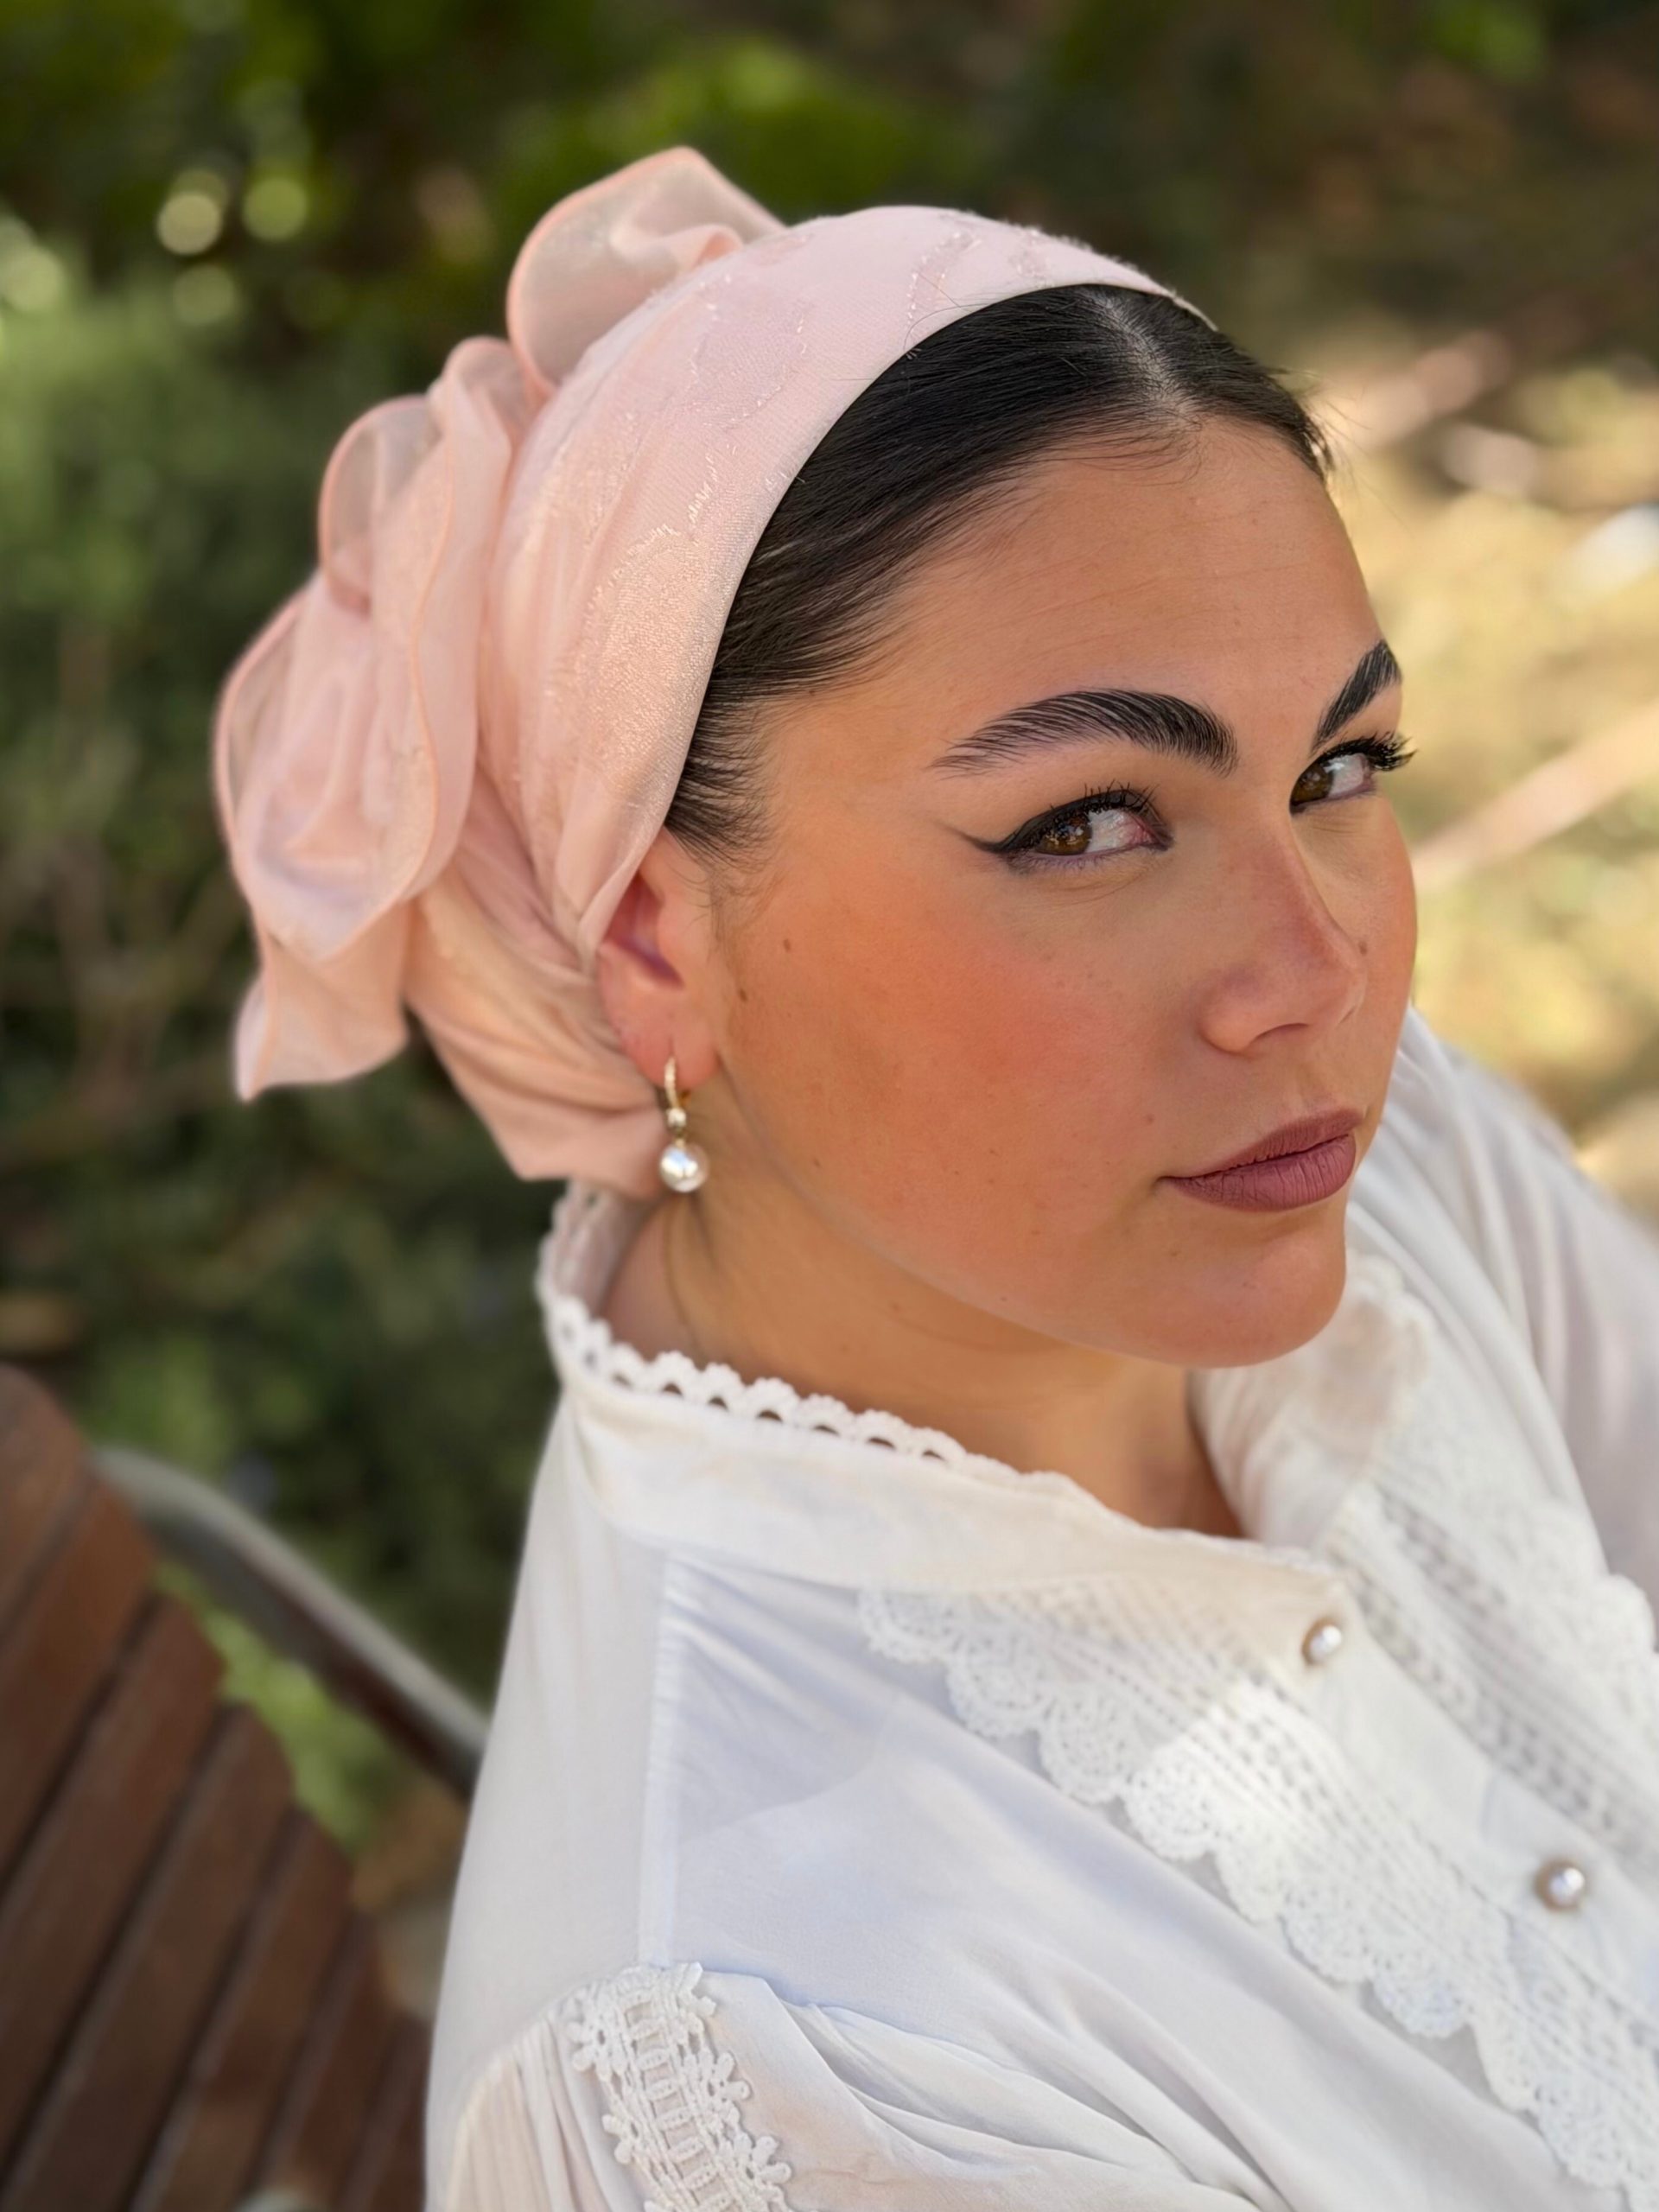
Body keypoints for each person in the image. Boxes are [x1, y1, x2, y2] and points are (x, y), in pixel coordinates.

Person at [210, 146, 1659, 2212]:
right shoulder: (783, 2062)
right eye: (1090, 823)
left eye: (1339, 771)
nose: (1320, 972)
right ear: (654, 942)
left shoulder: (1376, 1153)